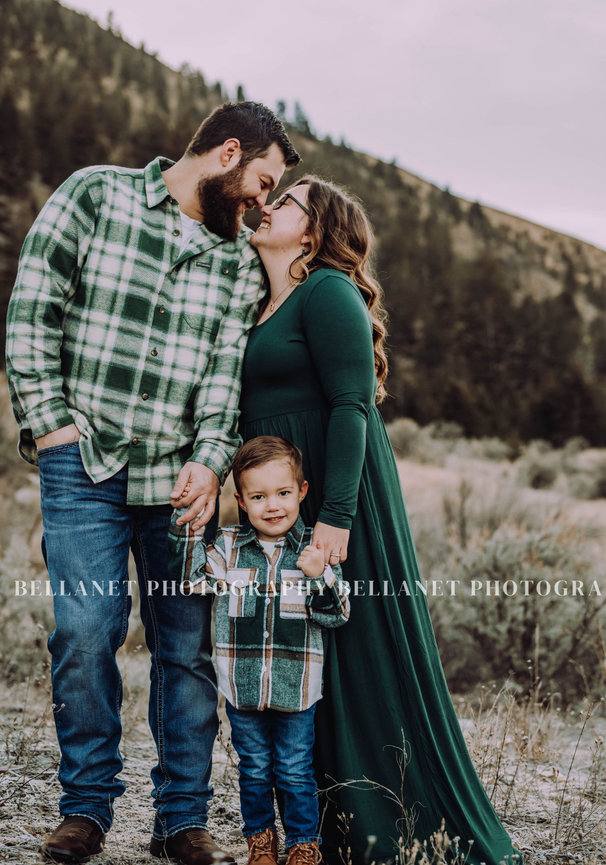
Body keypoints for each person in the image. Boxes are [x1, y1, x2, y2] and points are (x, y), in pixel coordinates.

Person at [5, 102, 300, 865]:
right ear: (227, 152)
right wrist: (51, 424)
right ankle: (86, 807)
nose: (262, 203)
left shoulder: (235, 260)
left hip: (180, 483)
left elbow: (220, 375)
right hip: (85, 467)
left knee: (186, 646)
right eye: (261, 181)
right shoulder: (92, 196)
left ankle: (180, 820)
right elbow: (33, 312)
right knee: (85, 632)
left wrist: (210, 456)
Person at [237, 177, 523, 865]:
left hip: (340, 493)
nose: (266, 202)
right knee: (312, 656)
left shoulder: (327, 290)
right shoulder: (261, 301)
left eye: (289, 200)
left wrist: (336, 517)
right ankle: (334, 823)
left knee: (361, 648)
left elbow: (351, 404)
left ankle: (400, 820)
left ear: (314, 230)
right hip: (288, 498)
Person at [170, 435, 350, 865]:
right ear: (242, 501)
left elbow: (337, 613)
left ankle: (305, 845)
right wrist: (192, 529)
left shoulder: (315, 549)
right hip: (243, 688)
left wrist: (318, 576)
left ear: (301, 492)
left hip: (296, 689)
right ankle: (261, 842)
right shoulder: (229, 548)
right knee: (253, 770)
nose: (273, 506)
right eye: (259, 496)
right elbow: (194, 581)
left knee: (293, 770)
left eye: (283, 493)